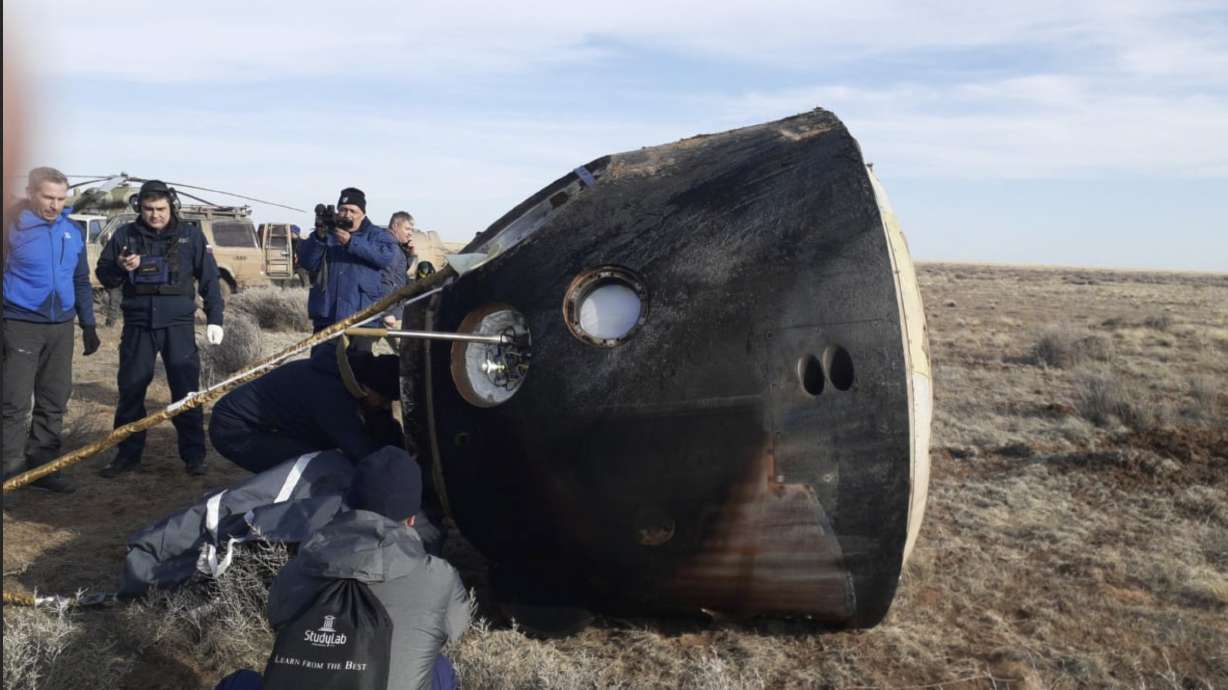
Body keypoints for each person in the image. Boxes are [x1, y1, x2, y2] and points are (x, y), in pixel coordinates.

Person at [267, 448, 469, 690]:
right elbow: (455, 629)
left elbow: (276, 618)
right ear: (412, 518)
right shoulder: (439, 576)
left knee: (240, 681)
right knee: (439, 668)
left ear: (350, 503)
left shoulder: (297, 569)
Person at [94, 180, 224, 478]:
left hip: (178, 324)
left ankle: (194, 456)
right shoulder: (125, 235)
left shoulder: (190, 237)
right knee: (131, 390)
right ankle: (126, 455)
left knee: (186, 392)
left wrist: (215, 317)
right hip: (139, 323)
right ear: (140, 207)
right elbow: (104, 275)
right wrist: (120, 266)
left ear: (171, 206)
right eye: (149, 209)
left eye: (161, 209)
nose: (155, 215)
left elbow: (210, 280)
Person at [2, 167, 101, 493]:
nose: (55, 204)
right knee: (15, 403)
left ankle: (43, 468)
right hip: (20, 324)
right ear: (31, 193)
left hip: (61, 327)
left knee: (54, 399)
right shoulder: (12, 228)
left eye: (61, 198)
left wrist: (88, 324)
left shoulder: (71, 231)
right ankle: (10, 475)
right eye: (48, 197)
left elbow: (80, 280)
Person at [209, 350, 402, 472]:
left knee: (326, 451)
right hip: (234, 429)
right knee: (320, 467)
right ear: (367, 388)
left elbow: (379, 428)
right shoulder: (330, 392)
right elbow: (361, 451)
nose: (385, 405)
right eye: (385, 399)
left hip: (265, 424)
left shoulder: (350, 376)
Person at [297, 187, 397, 333]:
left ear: (363, 214)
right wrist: (318, 238)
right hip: (327, 317)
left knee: (358, 356)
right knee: (322, 356)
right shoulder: (327, 234)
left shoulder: (377, 235)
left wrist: (351, 243)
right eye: (343, 210)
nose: (347, 214)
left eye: (353, 211)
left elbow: (384, 258)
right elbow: (307, 263)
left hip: (362, 318)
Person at [380, 211, 416, 328]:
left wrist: (409, 256)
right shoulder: (391, 247)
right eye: (407, 229)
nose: (410, 233)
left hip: (393, 311)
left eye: (412, 230)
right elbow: (385, 279)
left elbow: (398, 274)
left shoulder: (396, 247)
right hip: (389, 317)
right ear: (395, 226)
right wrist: (387, 312)